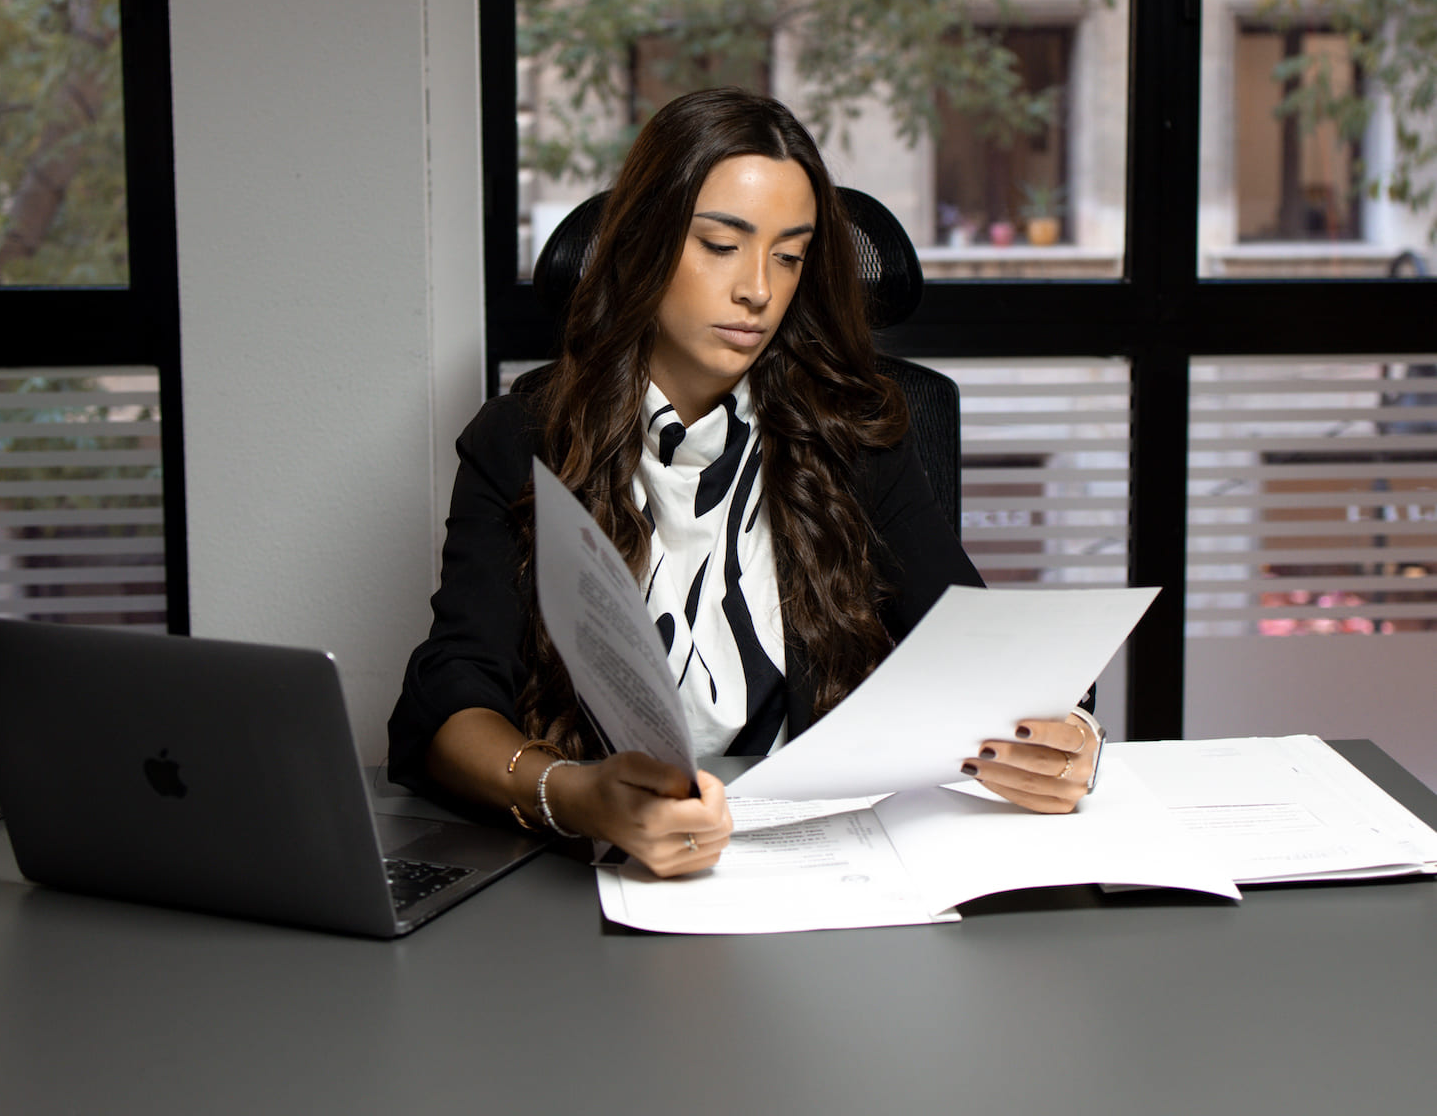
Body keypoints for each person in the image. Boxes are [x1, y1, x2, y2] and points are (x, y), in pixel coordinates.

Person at [387, 88, 1103, 877]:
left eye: (789, 255)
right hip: (598, 877)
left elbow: (986, 659)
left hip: (825, 871)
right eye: (721, 245)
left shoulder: (853, 435)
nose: (759, 289)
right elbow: (448, 704)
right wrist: (581, 796)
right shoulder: (521, 439)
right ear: (643, 246)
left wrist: (1068, 736)